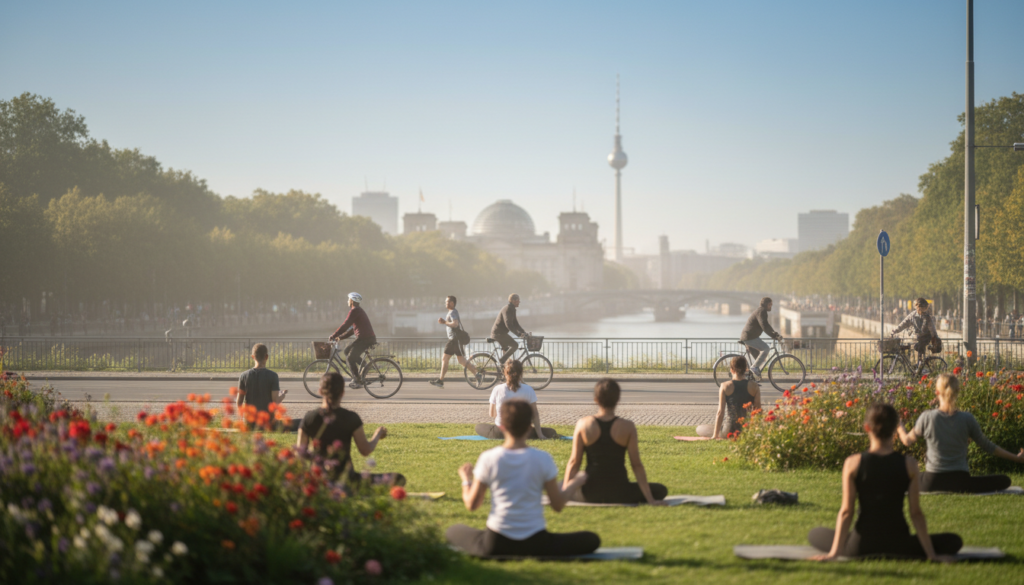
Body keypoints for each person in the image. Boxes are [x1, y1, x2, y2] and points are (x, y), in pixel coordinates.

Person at [446, 400, 601, 558]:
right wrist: (575, 482)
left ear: (502, 426)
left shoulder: (489, 458)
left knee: (452, 530)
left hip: (495, 543)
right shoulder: (542, 458)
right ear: (529, 427)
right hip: (536, 543)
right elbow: (558, 505)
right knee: (591, 539)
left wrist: (466, 480)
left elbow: (472, 505)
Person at [808, 403, 962, 561]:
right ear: (895, 430)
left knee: (814, 534)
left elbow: (847, 512)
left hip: (861, 545)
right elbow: (915, 513)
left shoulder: (852, 463)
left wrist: (834, 553)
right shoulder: (909, 464)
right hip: (899, 545)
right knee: (954, 541)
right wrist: (931, 554)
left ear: (867, 427)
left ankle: (845, 544)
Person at [896, 373, 1023, 493]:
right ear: (957, 392)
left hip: (932, 481)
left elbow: (907, 441)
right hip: (961, 481)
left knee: (903, 478)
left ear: (937, 392)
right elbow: (988, 446)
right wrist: (1016, 458)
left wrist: (899, 426)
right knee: (1005, 480)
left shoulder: (927, 417)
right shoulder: (967, 419)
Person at [563, 378, 667, 505]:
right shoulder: (628, 427)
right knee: (661, 490)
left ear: (596, 399)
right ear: (618, 399)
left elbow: (574, 462)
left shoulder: (583, 424)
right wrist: (650, 500)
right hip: (620, 493)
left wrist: (564, 493)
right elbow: (636, 465)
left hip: (591, 493)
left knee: (563, 484)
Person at [297, 371, 404, 485]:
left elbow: (299, 454)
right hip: (347, 480)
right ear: (342, 393)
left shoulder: (309, 418)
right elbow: (365, 450)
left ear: (320, 391)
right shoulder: (351, 418)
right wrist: (377, 434)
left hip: (318, 480)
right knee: (398, 478)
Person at [475, 360, 557, 440]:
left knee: (478, 427)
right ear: (521, 374)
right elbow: (535, 414)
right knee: (551, 432)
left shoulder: (497, 389)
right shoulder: (529, 389)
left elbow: (492, 414)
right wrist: (540, 434)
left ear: (505, 372)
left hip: (501, 432)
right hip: (523, 432)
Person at [696, 356, 761, 439]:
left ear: (731, 369)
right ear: (746, 369)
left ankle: (718, 433)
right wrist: (756, 432)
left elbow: (720, 412)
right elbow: (758, 411)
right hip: (746, 430)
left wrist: (715, 435)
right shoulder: (754, 386)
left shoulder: (724, 386)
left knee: (700, 429)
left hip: (729, 431)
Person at [430, 295, 480, 388]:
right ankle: (477, 374)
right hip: (456, 340)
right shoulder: (452, 312)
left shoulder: (453, 312)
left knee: (445, 359)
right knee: (461, 360)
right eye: (445, 302)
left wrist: (444, 322)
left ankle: (441, 380)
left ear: (452, 303)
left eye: (447, 301)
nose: (446, 303)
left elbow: (455, 324)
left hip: (453, 340)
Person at [330, 292, 376, 389]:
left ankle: (356, 378)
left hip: (365, 339)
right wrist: (340, 337)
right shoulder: (358, 311)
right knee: (347, 352)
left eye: (348, 299)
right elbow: (352, 330)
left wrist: (334, 334)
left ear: (352, 301)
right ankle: (364, 367)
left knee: (350, 358)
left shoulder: (354, 311)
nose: (347, 301)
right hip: (364, 338)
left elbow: (345, 325)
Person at [237, 343, 288, 414]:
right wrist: (282, 395)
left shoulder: (244, 376)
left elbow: (239, 402)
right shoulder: (273, 376)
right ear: (266, 357)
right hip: (267, 419)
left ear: (253, 357)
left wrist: (242, 417)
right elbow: (275, 402)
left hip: (250, 419)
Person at [740, 297, 783, 379]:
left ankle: (753, 379)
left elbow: (767, 325)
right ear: (766, 304)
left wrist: (774, 334)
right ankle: (754, 367)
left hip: (750, 336)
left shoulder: (761, 311)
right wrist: (774, 335)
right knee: (766, 348)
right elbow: (764, 325)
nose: (771, 306)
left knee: (758, 357)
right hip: (749, 337)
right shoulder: (762, 311)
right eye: (770, 304)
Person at [890, 298, 939, 362]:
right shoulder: (912, 315)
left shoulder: (927, 317)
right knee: (910, 349)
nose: (919, 309)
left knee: (918, 348)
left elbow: (932, 329)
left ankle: (920, 365)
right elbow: (904, 324)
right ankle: (917, 364)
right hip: (916, 337)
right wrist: (895, 331)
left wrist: (935, 339)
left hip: (925, 338)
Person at [491, 293, 528, 367]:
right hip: (498, 334)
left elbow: (516, 324)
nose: (519, 302)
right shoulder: (508, 309)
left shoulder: (512, 309)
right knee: (515, 345)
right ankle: (502, 361)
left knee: (507, 349)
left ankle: (503, 369)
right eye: (518, 300)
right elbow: (509, 324)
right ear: (513, 301)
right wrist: (518, 334)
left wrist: (524, 332)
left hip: (501, 334)